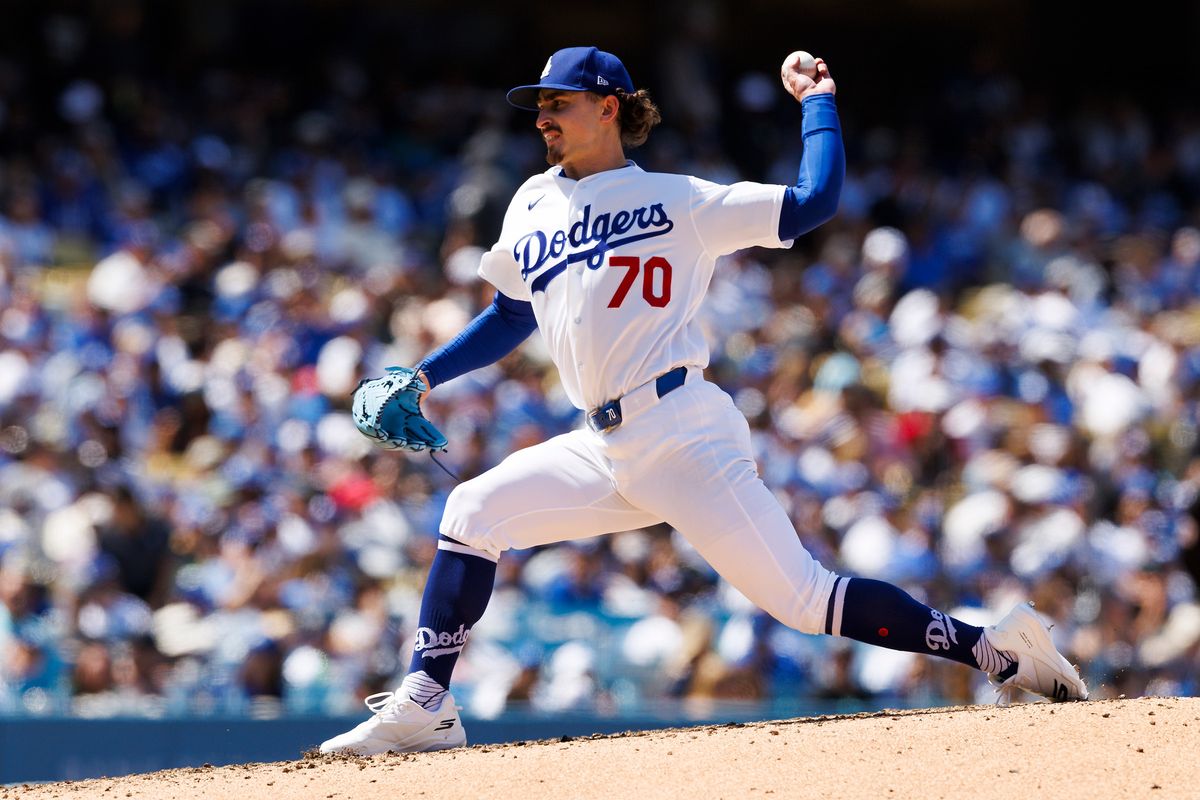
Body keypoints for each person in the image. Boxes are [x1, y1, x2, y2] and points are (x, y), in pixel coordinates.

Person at [319, 46, 1087, 756]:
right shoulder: (530, 203)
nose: (543, 115)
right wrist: (421, 376)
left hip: (683, 430)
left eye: (560, 100)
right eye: (540, 103)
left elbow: (814, 201)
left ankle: (997, 648)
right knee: (470, 516)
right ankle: (428, 703)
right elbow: (513, 312)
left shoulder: (682, 200)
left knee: (803, 600)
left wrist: (818, 102)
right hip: (602, 442)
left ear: (610, 106)